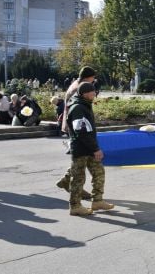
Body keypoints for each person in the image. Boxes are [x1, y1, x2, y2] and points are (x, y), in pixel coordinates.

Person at [66, 82, 114, 216]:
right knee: (78, 178)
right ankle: (75, 206)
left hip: (89, 148)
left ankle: (97, 201)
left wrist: (94, 148)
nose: (95, 94)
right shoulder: (78, 108)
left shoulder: (84, 105)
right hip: (81, 149)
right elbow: (81, 132)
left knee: (99, 173)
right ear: (85, 93)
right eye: (93, 92)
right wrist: (95, 149)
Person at [55, 66, 96, 200]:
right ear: (87, 77)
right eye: (93, 77)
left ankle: (67, 180)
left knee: (80, 158)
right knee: (81, 157)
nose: (94, 80)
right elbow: (76, 109)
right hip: (76, 125)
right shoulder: (78, 88)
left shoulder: (77, 85)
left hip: (73, 124)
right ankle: (74, 187)